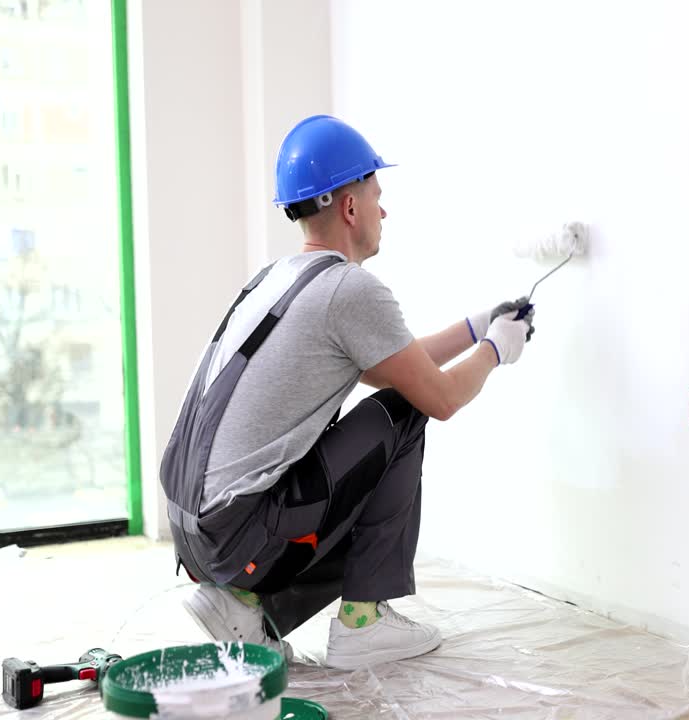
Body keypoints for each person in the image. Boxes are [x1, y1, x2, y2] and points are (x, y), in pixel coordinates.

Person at [159, 114, 535, 668]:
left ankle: (238, 604)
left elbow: (390, 366)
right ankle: (364, 622)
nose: (383, 211)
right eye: (376, 195)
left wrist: (476, 327)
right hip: (241, 534)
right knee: (404, 417)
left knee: (388, 408)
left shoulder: (279, 280)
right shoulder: (348, 290)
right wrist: (499, 350)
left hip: (194, 531)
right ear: (349, 207)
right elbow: (438, 397)